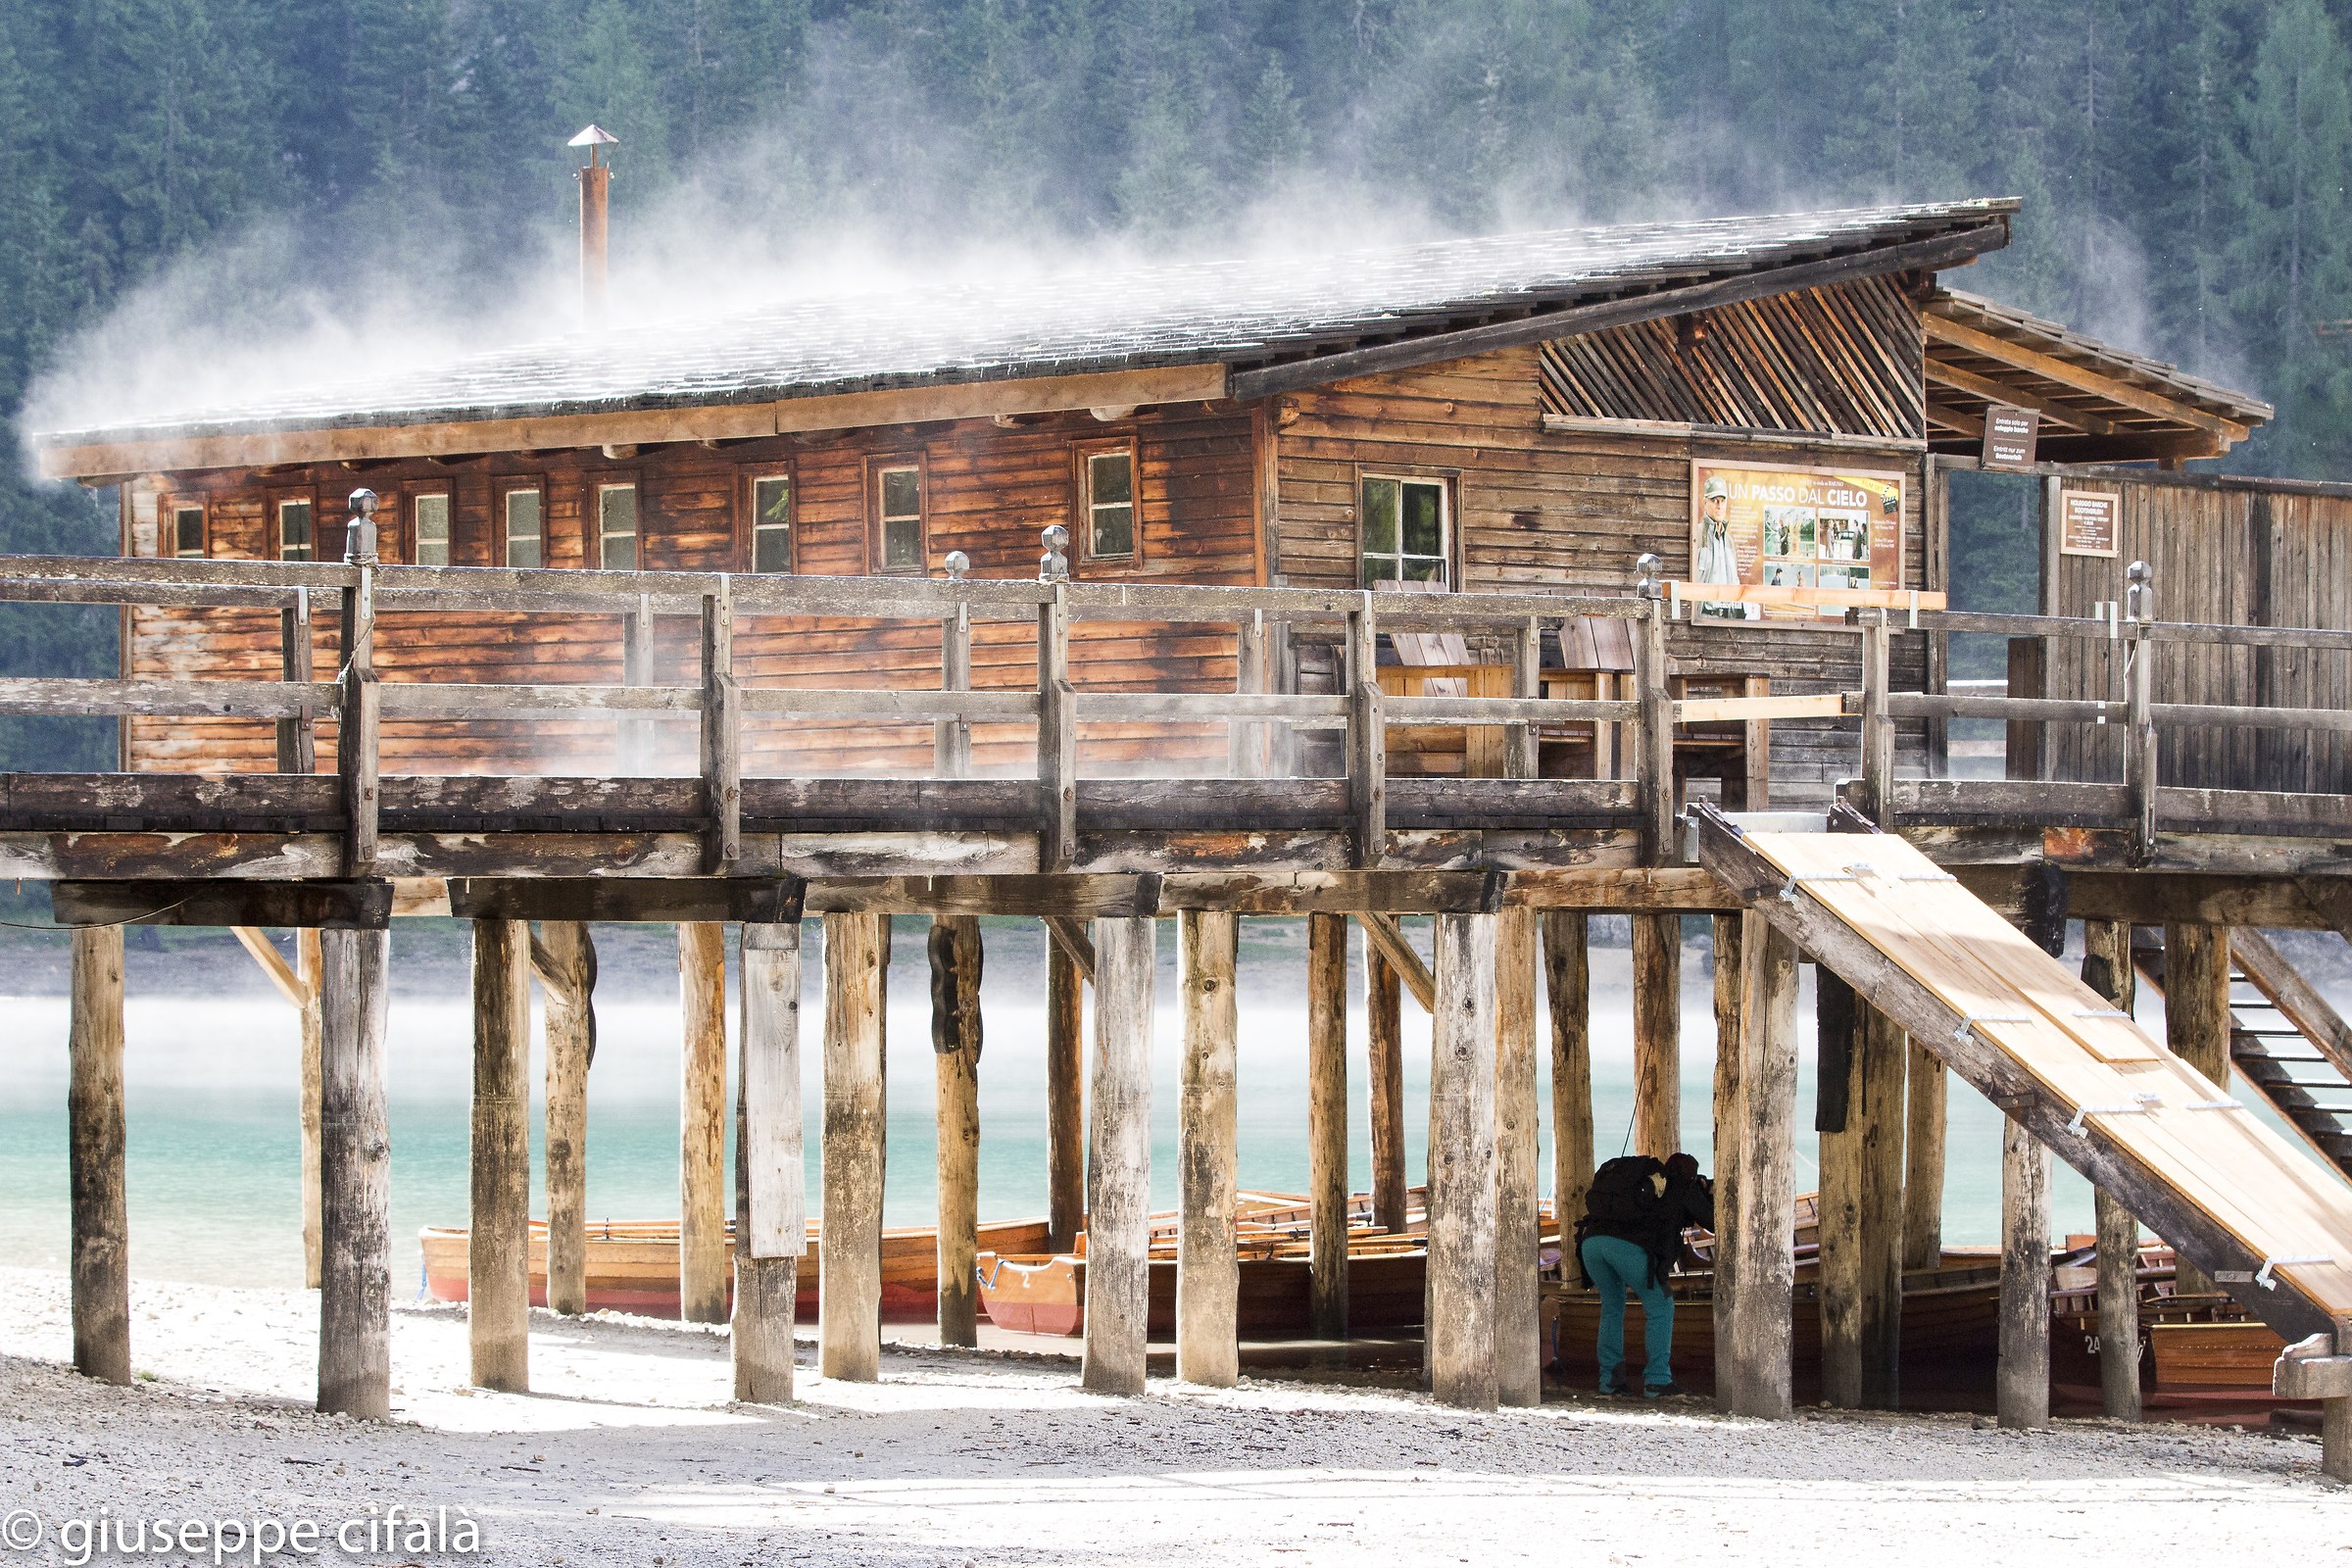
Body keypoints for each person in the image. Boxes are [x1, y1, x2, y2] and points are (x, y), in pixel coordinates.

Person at [1575, 1151, 1715, 1397]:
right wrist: (1709, 1195)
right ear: (1690, 1176)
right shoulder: (1683, 1186)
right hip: (1624, 1248)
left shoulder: (1643, 1182)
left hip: (1592, 1243)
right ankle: (1657, 1381)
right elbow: (1713, 1222)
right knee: (1661, 1307)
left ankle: (1610, 1381)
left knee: (1612, 1306)